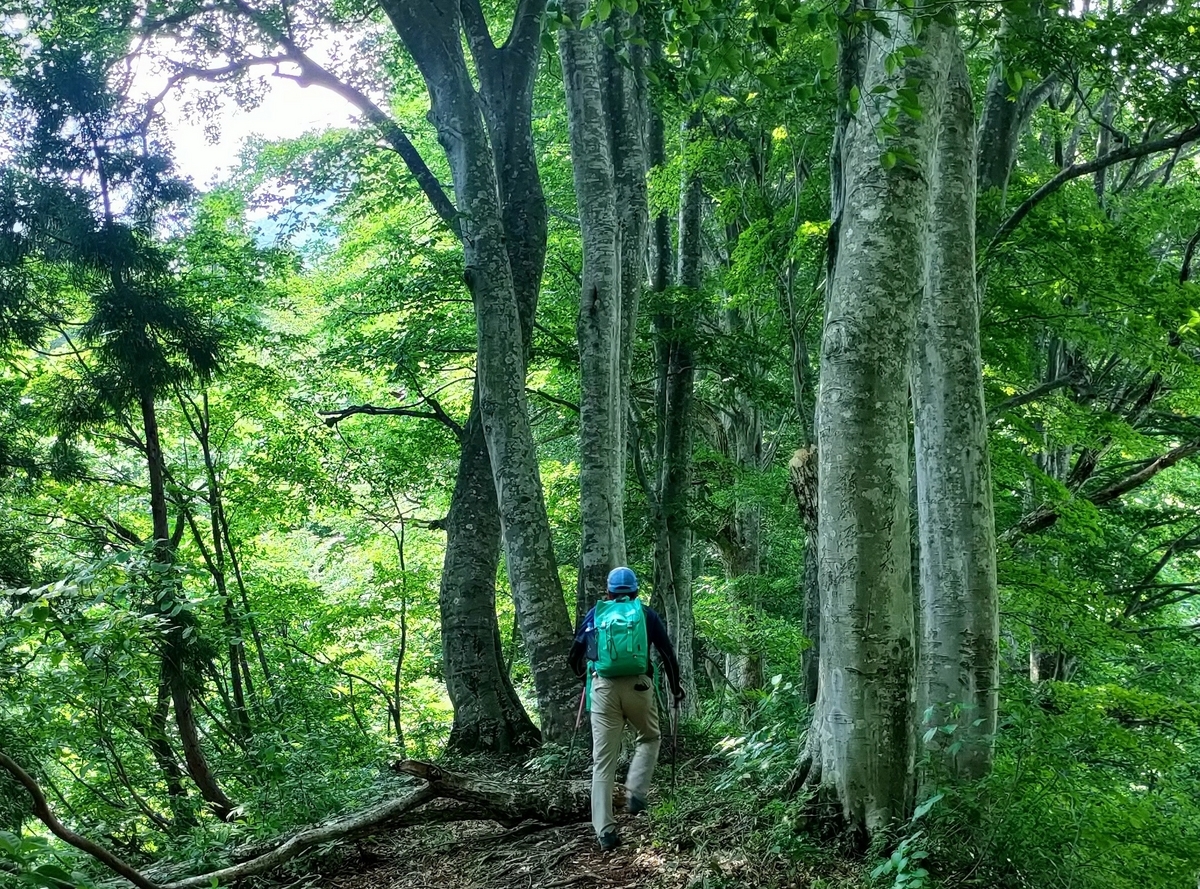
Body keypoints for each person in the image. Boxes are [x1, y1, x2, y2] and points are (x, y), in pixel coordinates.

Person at [568, 566, 684, 851]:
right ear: (635, 591)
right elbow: (668, 655)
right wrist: (675, 687)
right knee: (649, 737)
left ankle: (605, 831)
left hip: (603, 689)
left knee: (603, 761)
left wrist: (586, 674)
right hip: (639, 688)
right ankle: (636, 792)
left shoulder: (596, 615)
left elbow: (574, 656)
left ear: (607, 591)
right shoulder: (645, 615)